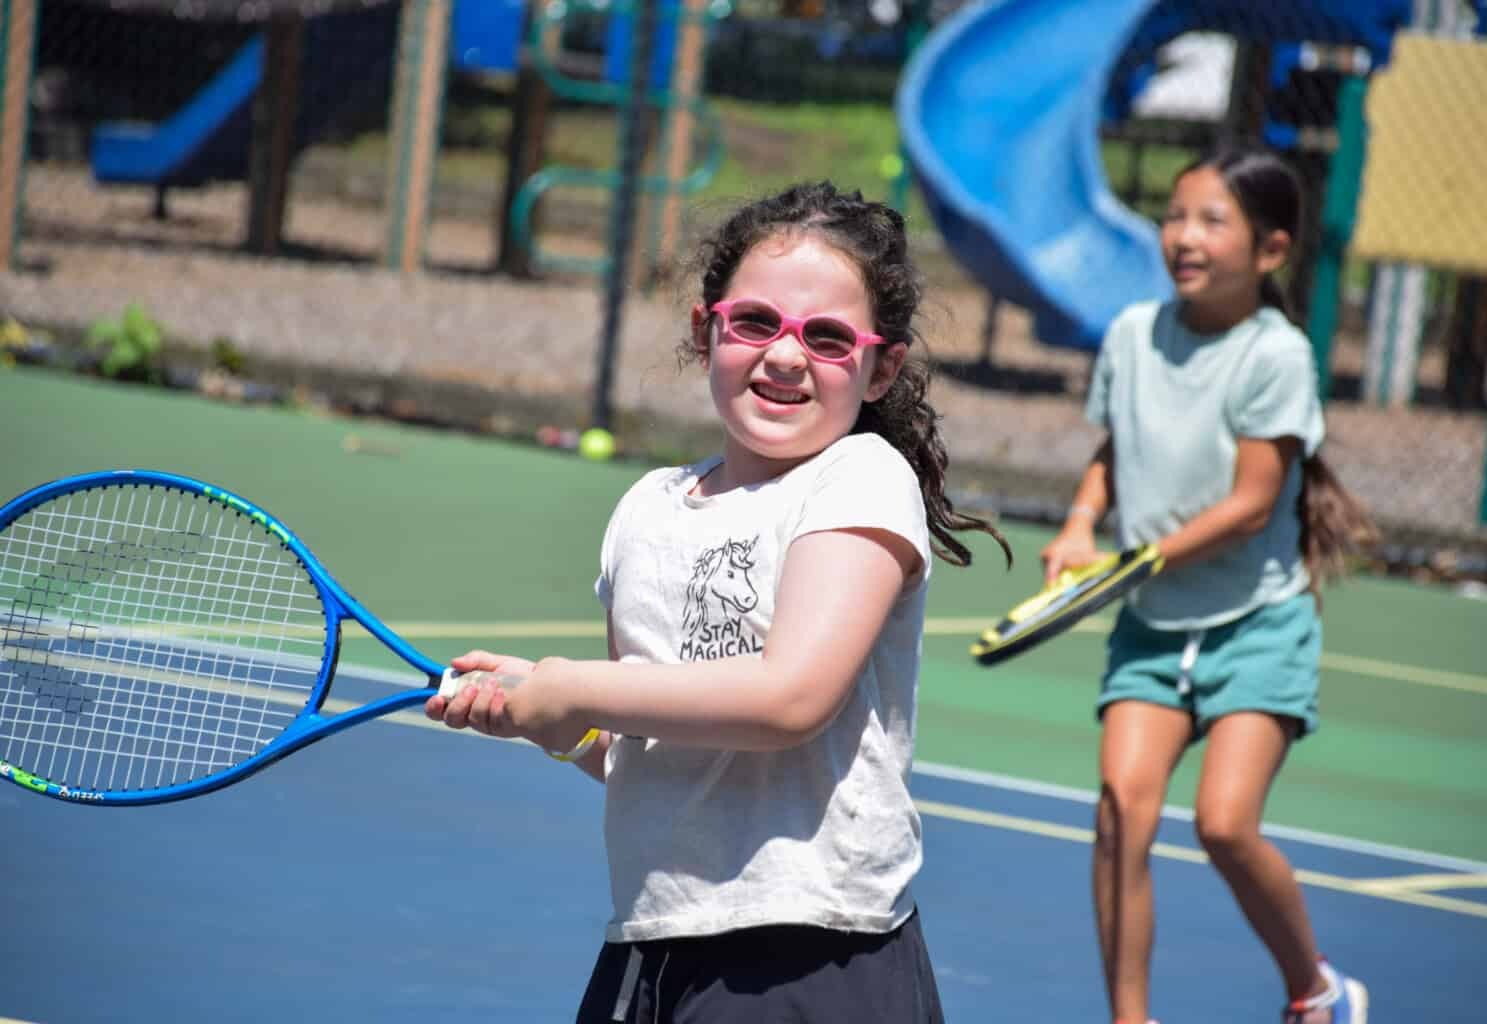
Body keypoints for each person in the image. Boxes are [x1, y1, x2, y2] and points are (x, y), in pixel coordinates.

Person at [427, 181, 1012, 1023]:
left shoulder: (860, 480)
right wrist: (559, 724)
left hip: (808, 956)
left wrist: (571, 685)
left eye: (827, 337)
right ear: (707, 332)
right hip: (652, 942)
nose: (784, 355)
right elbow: (650, 746)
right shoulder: (646, 510)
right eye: (755, 323)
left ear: (881, 366)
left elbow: (789, 698)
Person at [1039, 147, 1377, 1024]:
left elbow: (1254, 500)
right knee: (1120, 816)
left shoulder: (1278, 356)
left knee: (1225, 824)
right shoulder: (1131, 336)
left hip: (1256, 626)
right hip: (1154, 628)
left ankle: (1315, 989)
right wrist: (1081, 522)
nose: (1184, 237)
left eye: (1211, 221)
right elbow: (1113, 451)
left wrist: (1135, 561)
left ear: (1271, 250)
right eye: (1175, 216)